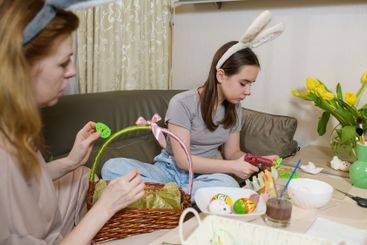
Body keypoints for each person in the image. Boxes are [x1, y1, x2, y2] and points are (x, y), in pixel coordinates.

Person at [0, 0, 144, 244]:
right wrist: (106, 207)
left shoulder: (13, 124)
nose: (72, 72)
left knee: (80, 175)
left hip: (49, 224)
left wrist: (69, 161)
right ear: (22, 68)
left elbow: (26, 181)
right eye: (63, 62)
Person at [102, 11, 284, 202]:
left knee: (228, 185)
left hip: (204, 176)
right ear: (221, 75)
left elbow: (232, 153)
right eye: (243, 83)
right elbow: (183, 160)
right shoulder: (182, 103)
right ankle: (181, 196)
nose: (248, 91)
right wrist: (232, 167)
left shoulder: (235, 108)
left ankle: (166, 197)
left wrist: (258, 160)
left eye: (251, 84)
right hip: (169, 171)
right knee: (112, 167)